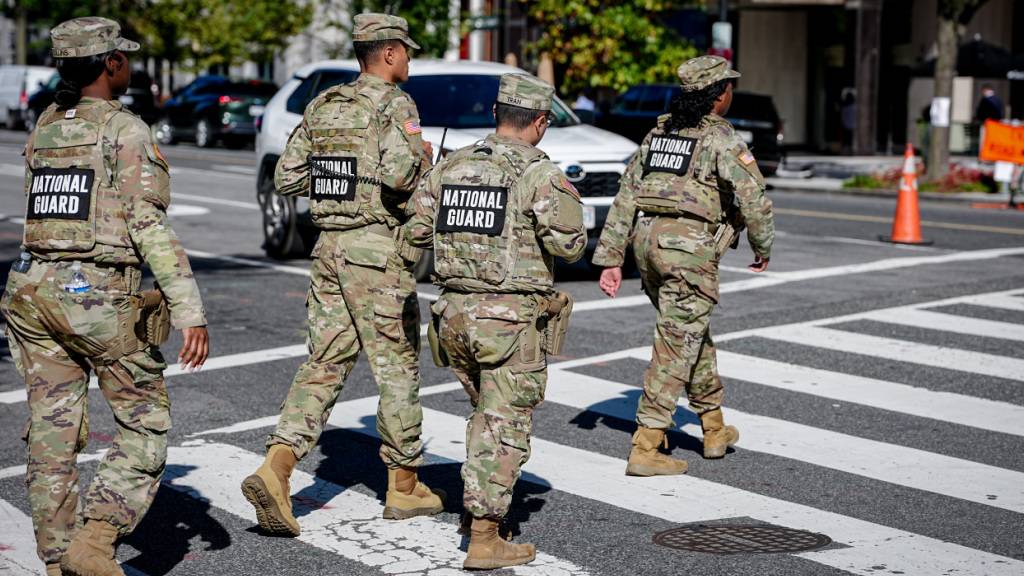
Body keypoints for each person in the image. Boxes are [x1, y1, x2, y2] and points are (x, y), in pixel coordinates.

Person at [0, 17, 209, 576]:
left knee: (52, 428)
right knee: (144, 422)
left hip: (30, 291)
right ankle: (93, 543)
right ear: (110, 64)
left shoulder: (45, 124)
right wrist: (188, 309)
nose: (129, 65)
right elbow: (148, 225)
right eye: (123, 57)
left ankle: (55, 557)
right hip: (94, 296)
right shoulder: (126, 129)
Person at [240, 13, 440, 536]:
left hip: (328, 249)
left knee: (323, 364)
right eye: (407, 52)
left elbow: (287, 177)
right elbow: (399, 176)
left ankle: (277, 467)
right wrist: (423, 158)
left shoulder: (324, 104)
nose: (410, 60)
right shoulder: (396, 105)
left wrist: (340, 180)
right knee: (396, 368)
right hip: (376, 251)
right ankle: (404, 485)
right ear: (391, 53)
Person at [404, 73, 585, 570]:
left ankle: (477, 513)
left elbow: (414, 233)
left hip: (454, 318)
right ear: (541, 123)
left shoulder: (453, 165)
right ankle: (484, 538)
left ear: (496, 116)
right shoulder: (539, 174)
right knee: (502, 425)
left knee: (485, 415)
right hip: (506, 324)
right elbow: (569, 245)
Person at [592, 55, 774, 475]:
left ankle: (713, 428)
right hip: (687, 251)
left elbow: (626, 195)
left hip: (647, 246)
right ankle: (647, 444)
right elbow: (754, 199)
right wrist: (762, 246)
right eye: (729, 87)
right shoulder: (720, 139)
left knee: (690, 334)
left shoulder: (660, 134)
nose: (731, 93)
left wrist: (611, 258)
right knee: (676, 346)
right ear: (718, 95)